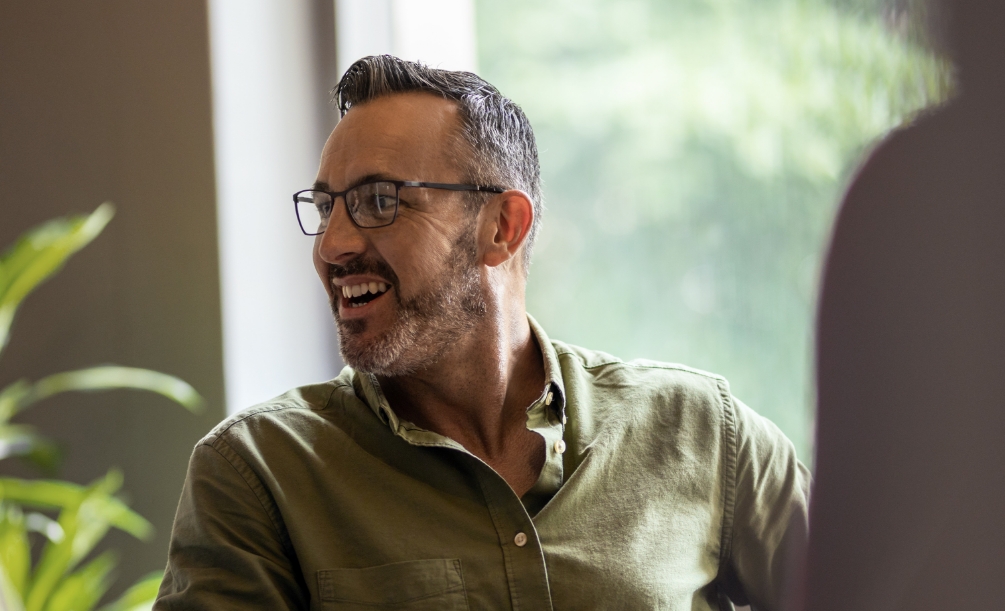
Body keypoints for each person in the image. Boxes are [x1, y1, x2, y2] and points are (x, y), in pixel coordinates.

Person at [156, 55, 809, 611]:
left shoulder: (703, 433)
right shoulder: (257, 473)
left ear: (502, 226)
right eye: (326, 207)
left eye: (378, 200)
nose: (332, 245)